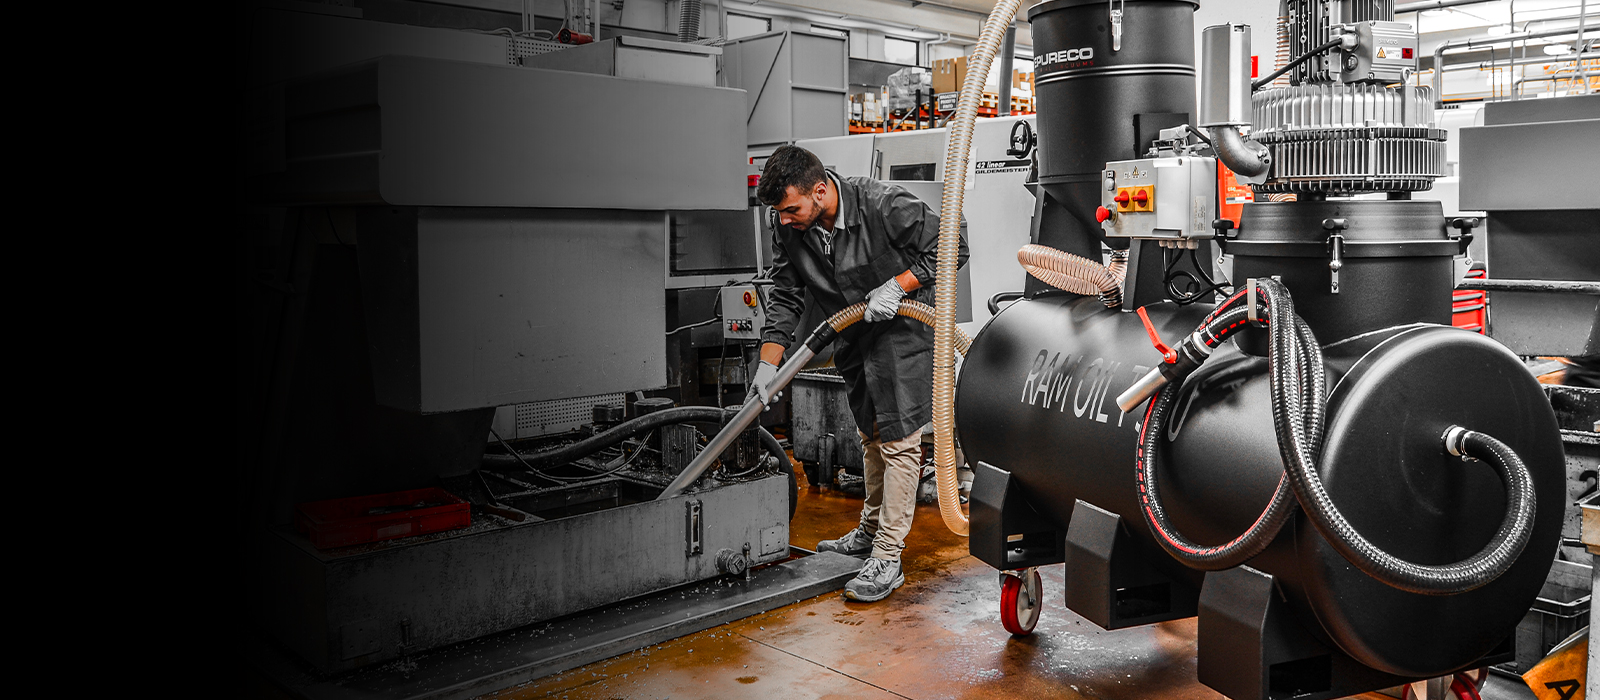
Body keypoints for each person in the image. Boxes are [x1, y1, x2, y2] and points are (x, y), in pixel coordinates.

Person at [750, 145, 967, 602]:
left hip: (902, 329)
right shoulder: (787, 224)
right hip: (852, 334)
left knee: (899, 440)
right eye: (779, 212)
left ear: (820, 191)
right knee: (870, 434)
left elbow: (953, 246)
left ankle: (888, 556)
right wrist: (768, 363)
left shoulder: (882, 205)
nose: (784, 220)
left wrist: (898, 285)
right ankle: (870, 530)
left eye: (791, 209)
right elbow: (786, 296)